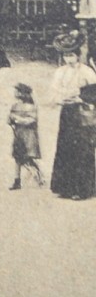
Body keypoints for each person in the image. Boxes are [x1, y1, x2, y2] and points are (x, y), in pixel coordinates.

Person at [48, 31, 96, 200]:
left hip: (81, 113)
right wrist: (63, 97)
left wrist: (79, 95)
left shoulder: (87, 72)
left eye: (72, 55)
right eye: (66, 55)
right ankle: (65, 187)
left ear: (78, 55)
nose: (69, 59)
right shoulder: (61, 71)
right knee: (65, 147)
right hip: (67, 112)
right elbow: (55, 90)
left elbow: (93, 93)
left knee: (82, 149)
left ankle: (82, 189)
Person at [7, 82, 44, 191]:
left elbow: (32, 120)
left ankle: (39, 176)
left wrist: (18, 120)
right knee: (17, 157)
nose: (15, 93)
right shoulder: (15, 105)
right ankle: (17, 180)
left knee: (28, 157)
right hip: (18, 135)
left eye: (17, 91)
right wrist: (12, 120)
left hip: (29, 136)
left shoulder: (31, 107)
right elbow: (9, 119)